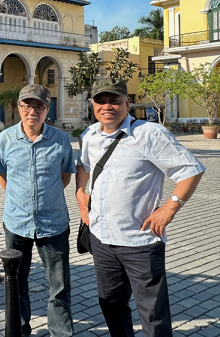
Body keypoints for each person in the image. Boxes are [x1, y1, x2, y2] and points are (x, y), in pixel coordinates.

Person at [76, 79, 205, 337]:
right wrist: (81, 193)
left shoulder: (150, 134)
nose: (107, 106)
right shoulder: (89, 135)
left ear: (126, 103)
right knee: (111, 303)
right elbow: (84, 166)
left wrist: (169, 208)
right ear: (93, 105)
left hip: (140, 243)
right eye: (101, 101)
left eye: (114, 100)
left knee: (153, 314)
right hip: (101, 238)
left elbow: (191, 170)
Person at [0, 84, 75, 337]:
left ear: (47, 109)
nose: (33, 111)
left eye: (39, 106)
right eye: (27, 105)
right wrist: (21, 199)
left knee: (59, 286)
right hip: (17, 224)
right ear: (19, 108)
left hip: (53, 224)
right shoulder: (4, 139)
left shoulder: (60, 139)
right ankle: (19, 328)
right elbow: (2, 175)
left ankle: (60, 332)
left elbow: (65, 177)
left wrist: (43, 198)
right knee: (16, 283)